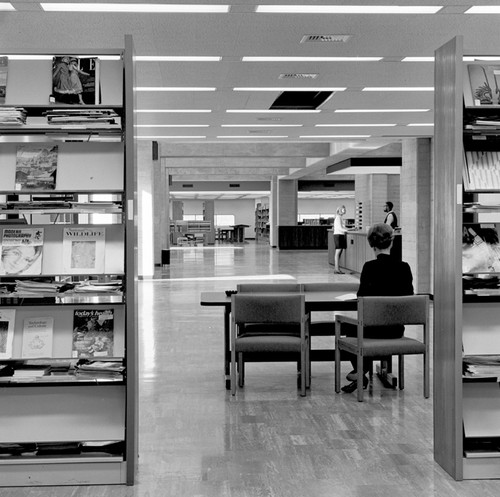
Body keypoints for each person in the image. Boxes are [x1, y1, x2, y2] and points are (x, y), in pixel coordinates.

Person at [340, 223, 414, 393]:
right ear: (392, 242)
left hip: (371, 329)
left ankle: (361, 370)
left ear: (371, 244)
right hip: (395, 329)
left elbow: (361, 299)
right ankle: (362, 371)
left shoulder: (369, 267)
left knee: (346, 328)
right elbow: (408, 298)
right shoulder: (404, 267)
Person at [333, 205, 348, 274]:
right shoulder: (338, 218)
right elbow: (339, 228)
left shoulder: (340, 217)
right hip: (338, 236)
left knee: (339, 252)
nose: (344, 211)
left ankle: (337, 268)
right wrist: (347, 230)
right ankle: (336, 269)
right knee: (338, 252)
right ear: (339, 210)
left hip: (340, 235)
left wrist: (348, 229)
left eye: (344, 210)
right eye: (343, 210)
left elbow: (342, 227)